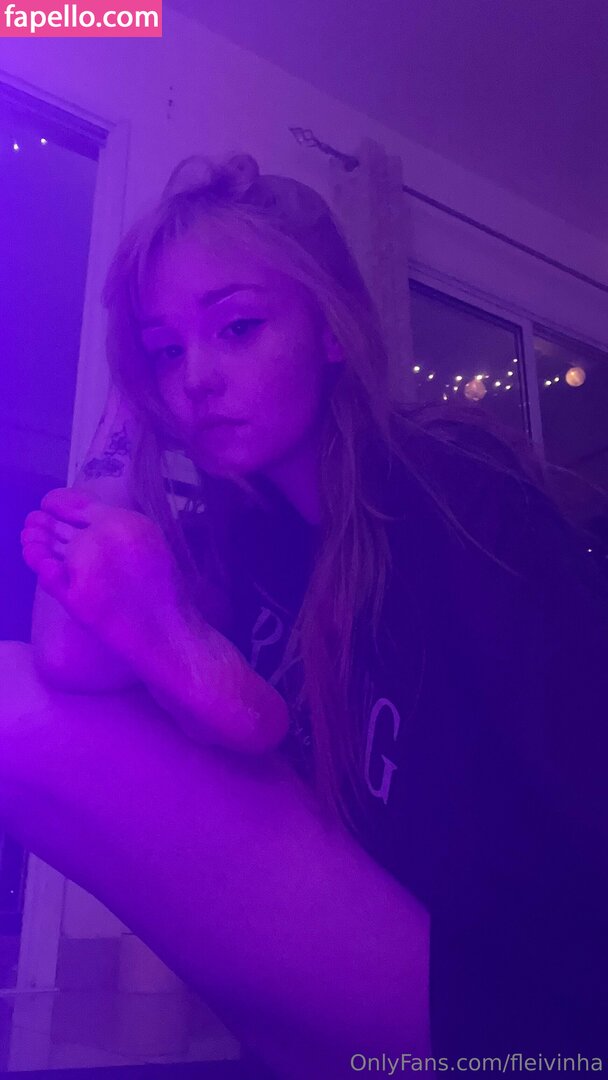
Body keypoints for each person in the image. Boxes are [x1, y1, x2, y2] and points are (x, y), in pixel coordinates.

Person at [3, 152, 608, 1076]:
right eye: (168, 352)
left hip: (515, 996)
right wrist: (131, 384)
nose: (196, 379)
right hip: (376, 954)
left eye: (238, 327)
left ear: (330, 328)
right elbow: (64, 661)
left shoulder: (453, 492)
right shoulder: (248, 541)